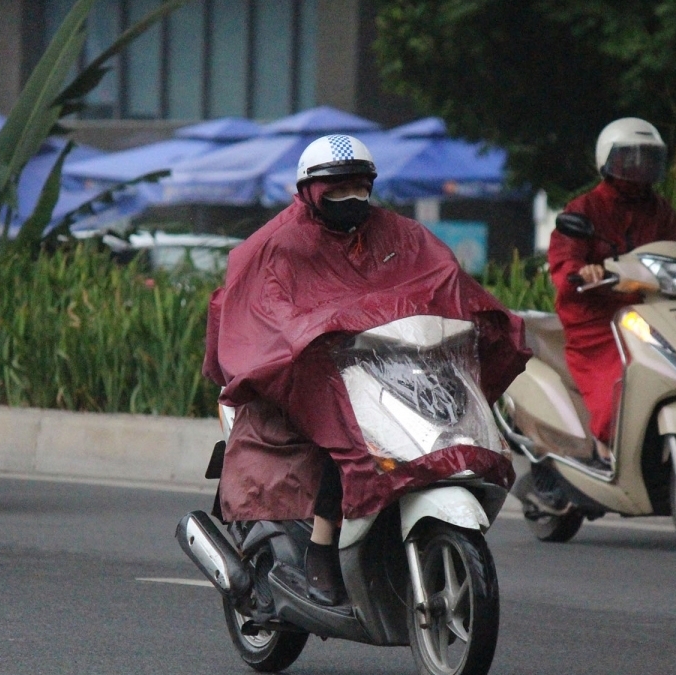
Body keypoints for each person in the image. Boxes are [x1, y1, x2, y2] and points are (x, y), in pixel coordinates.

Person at [203, 134, 529, 605]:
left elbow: (443, 278)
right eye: (336, 190)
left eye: (359, 188)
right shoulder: (276, 244)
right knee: (353, 441)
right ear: (310, 191)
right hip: (308, 370)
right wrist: (309, 333)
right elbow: (263, 308)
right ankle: (320, 548)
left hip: (389, 364)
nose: (350, 199)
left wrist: (477, 318)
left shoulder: (400, 233)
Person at [547, 118, 676, 467]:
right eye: (629, 158)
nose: (639, 167)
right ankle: (604, 451)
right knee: (620, 391)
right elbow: (564, 260)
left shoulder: (660, 210)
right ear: (607, 160)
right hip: (596, 323)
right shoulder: (584, 209)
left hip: (649, 316)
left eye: (647, 159)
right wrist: (583, 272)